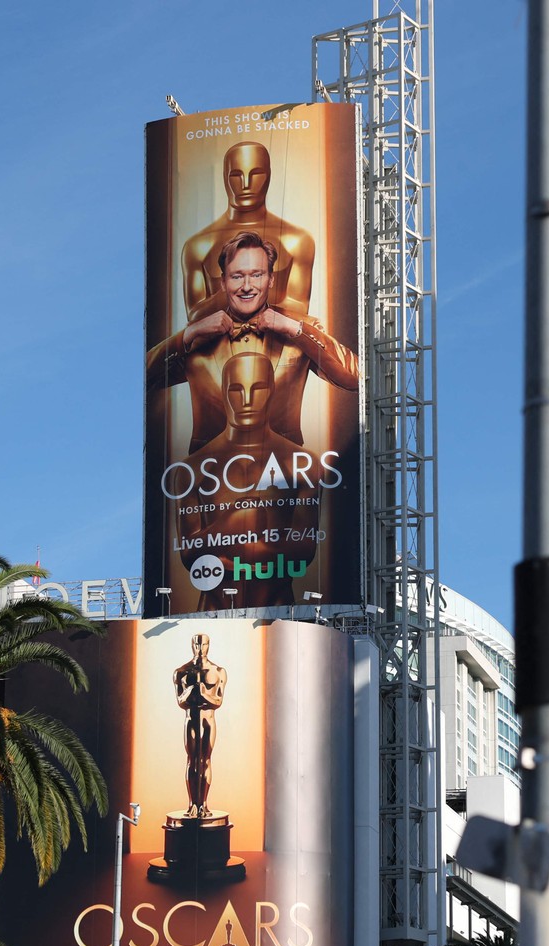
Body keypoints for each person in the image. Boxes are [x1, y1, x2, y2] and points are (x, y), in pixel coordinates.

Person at [147, 231, 358, 451]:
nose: (247, 286)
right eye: (237, 276)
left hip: (285, 470)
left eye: (256, 275)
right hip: (210, 473)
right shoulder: (197, 336)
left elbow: (356, 378)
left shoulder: (300, 328)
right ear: (223, 282)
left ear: (271, 279)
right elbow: (142, 380)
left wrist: (293, 329)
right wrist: (187, 335)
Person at [174, 352, 331, 609]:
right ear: (223, 392)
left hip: (280, 612)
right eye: (236, 390)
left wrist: (237, 548)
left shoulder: (304, 463)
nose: (246, 401)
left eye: (257, 388)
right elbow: (189, 555)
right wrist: (231, 522)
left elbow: (305, 549)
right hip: (212, 611)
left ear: (272, 390)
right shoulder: (191, 469)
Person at [181, 140, 315, 318]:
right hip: (217, 345)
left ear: (269, 175)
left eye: (256, 173)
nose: (246, 183)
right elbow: (194, 316)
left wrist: (239, 292)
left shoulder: (297, 240)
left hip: (278, 344)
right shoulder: (198, 245)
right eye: (236, 175)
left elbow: (300, 310)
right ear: (224, 177)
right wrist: (237, 290)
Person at [172, 633, 228, 818]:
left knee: (205, 760)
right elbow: (180, 701)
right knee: (192, 759)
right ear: (192, 646)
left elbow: (218, 701)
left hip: (208, 720)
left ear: (208, 645)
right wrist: (191, 692)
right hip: (191, 719)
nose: (199, 648)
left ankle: (203, 803)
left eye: (203, 644)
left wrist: (202, 694)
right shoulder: (181, 672)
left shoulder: (218, 671)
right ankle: (192, 804)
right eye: (196, 644)